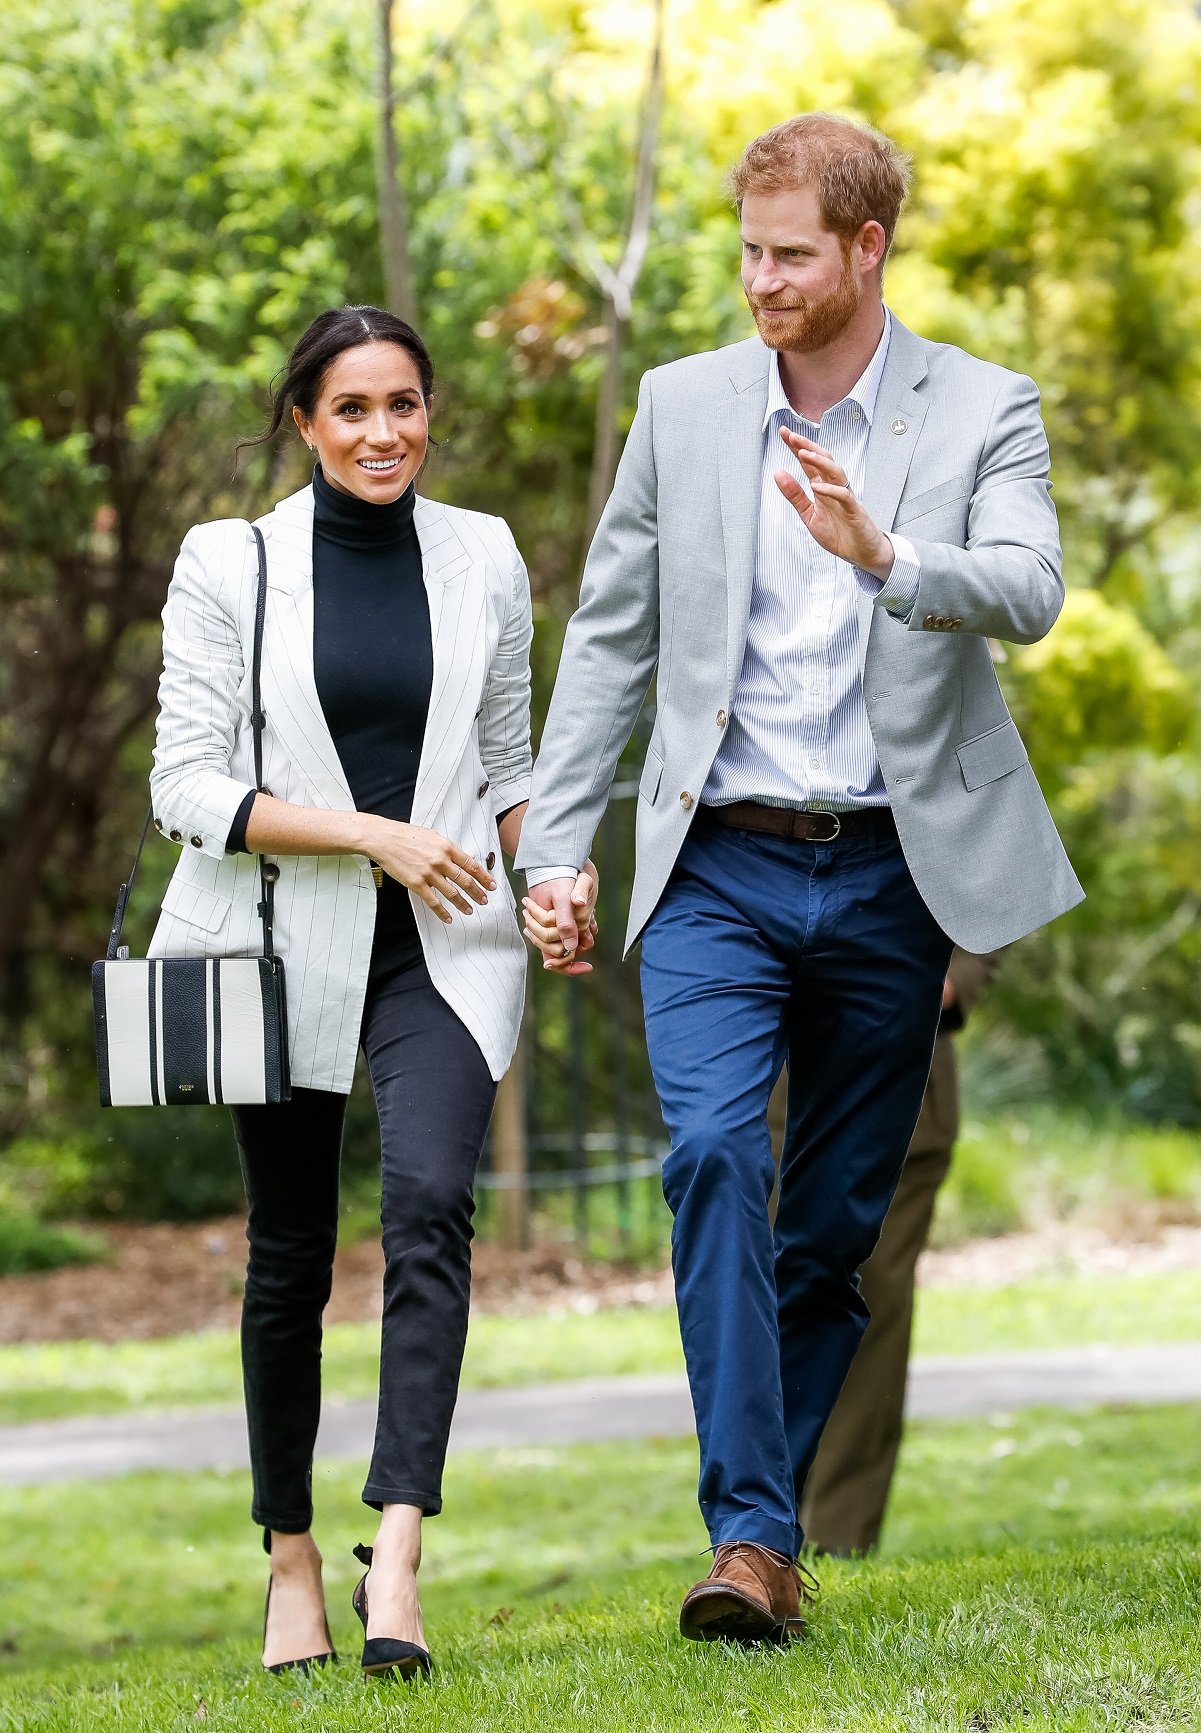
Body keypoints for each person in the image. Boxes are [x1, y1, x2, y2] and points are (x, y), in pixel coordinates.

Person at [519, 113, 1081, 1644]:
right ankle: (752, 1538)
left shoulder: (982, 407)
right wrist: (556, 843)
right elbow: (616, 639)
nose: (759, 279)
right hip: (717, 866)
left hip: (897, 871)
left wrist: (887, 551)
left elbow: (1027, 588)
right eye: (746, 250)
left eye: (788, 253)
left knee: (832, 1228)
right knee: (711, 1156)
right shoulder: (684, 406)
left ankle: (759, 1540)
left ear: (866, 248)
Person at [148, 305, 595, 1680]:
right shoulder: (235, 561)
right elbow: (186, 786)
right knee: (287, 1258)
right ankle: (290, 1555)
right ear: (304, 423)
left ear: (428, 411)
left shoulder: (484, 555)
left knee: (428, 1210)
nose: (383, 432)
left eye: (403, 404)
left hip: (443, 948)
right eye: (352, 409)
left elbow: (513, 763)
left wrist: (551, 873)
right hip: (278, 944)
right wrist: (372, 833)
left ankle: (395, 1548)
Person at [785, 948, 1000, 1555]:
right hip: (774, 1084)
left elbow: (1001, 863)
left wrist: (952, 979)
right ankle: (756, 1536)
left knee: (869, 1311)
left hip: (905, 1080)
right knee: (767, 1299)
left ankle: (838, 1541)